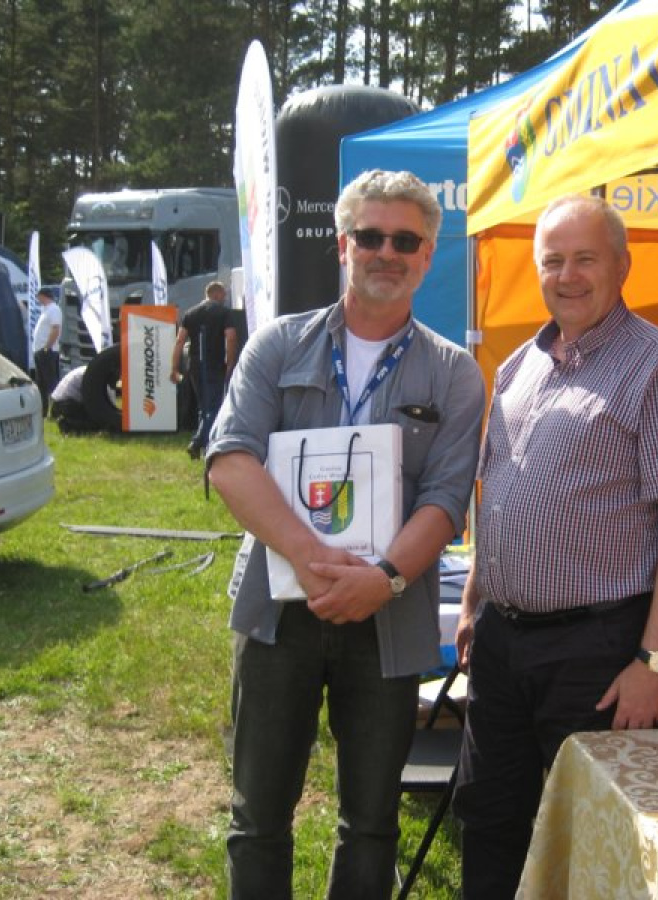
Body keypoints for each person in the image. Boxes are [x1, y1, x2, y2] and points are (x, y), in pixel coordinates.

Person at [206, 169, 485, 900]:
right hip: (279, 611)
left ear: (428, 255)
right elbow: (230, 461)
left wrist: (382, 581)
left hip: (386, 619)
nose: (386, 252)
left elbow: (447, 499)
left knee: (371, 823)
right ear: (343, 245)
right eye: (370, 236)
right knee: (258, 816)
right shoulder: (277, 345)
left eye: (406, 241)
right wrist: (310, 558)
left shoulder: (454, 374)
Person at [452, 193, 658, 899]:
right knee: (489, 818)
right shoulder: (518, 366)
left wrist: (655, 663)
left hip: (597, 651)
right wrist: (474, 603)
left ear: (623, 266)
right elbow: (496, 495)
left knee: (601, 838)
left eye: (584, 260)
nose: (567, 276)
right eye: (553, 261)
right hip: (503, 643)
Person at [170, 281, 238, 459]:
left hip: (194, 366)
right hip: (215, 365)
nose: (225, 298)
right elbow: (231, 337)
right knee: (214, 407)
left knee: (203, 406)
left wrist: (174, 367)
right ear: (216, 294)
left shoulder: (190, 313)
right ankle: (197, 442)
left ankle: (205, 446)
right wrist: (230, 362)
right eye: (224, 295)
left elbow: (179, 341)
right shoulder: (224, 313)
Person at [32, 286, 62, 416]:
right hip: (40, 351)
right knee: (41, 383)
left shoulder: (54, 309)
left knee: (51, 382)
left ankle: (56, 410)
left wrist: (47, 347)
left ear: (43, 296)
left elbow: (56, 329)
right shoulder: (45, 310)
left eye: (38, 296)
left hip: (48, 351)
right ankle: (43, 411)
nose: (37, 299)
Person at [49, 365, 97, 434]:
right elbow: (90, 399)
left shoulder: (86, 370)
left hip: (58, 404)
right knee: (94, 421)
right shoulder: (90, 375)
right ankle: (68, 424)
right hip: (66, 404)